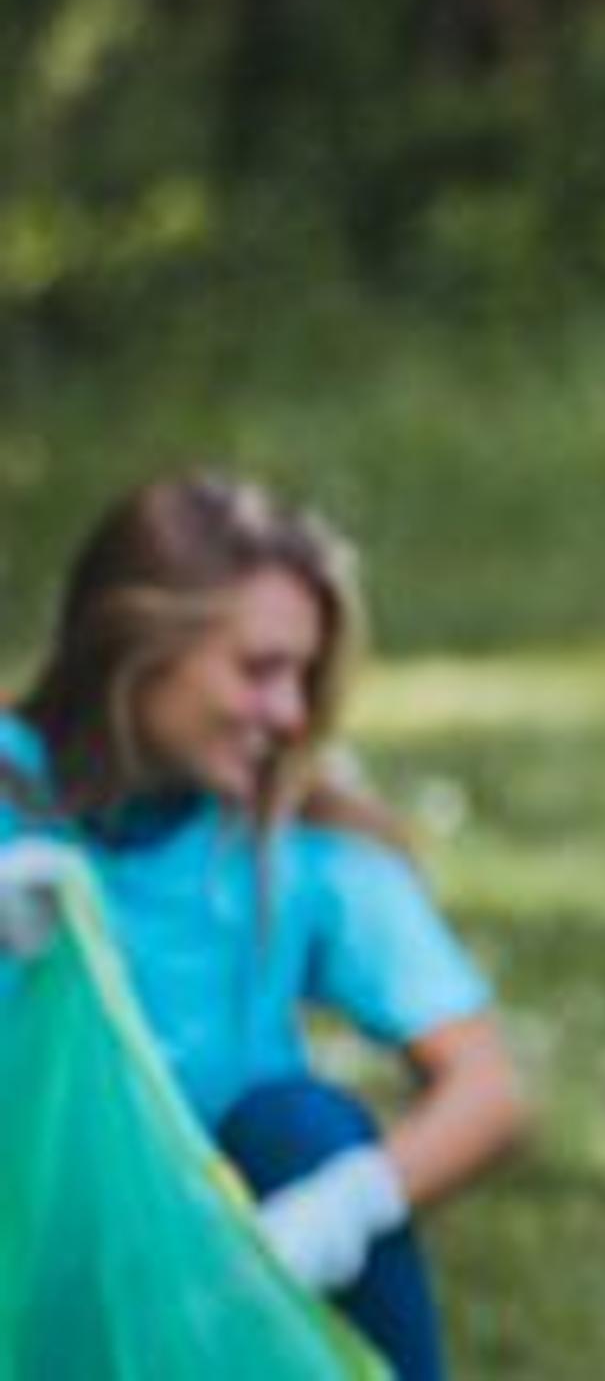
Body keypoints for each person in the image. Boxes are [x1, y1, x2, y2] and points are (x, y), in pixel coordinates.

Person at [0, 472, 531, 1379]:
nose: (289, 714)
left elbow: (489, 1091)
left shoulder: (288, 847)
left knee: (301, 1125)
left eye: (301, 676)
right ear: (138, 648)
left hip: (210, 1285)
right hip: (33, 1268)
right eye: (257, 670)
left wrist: (336, 1210)